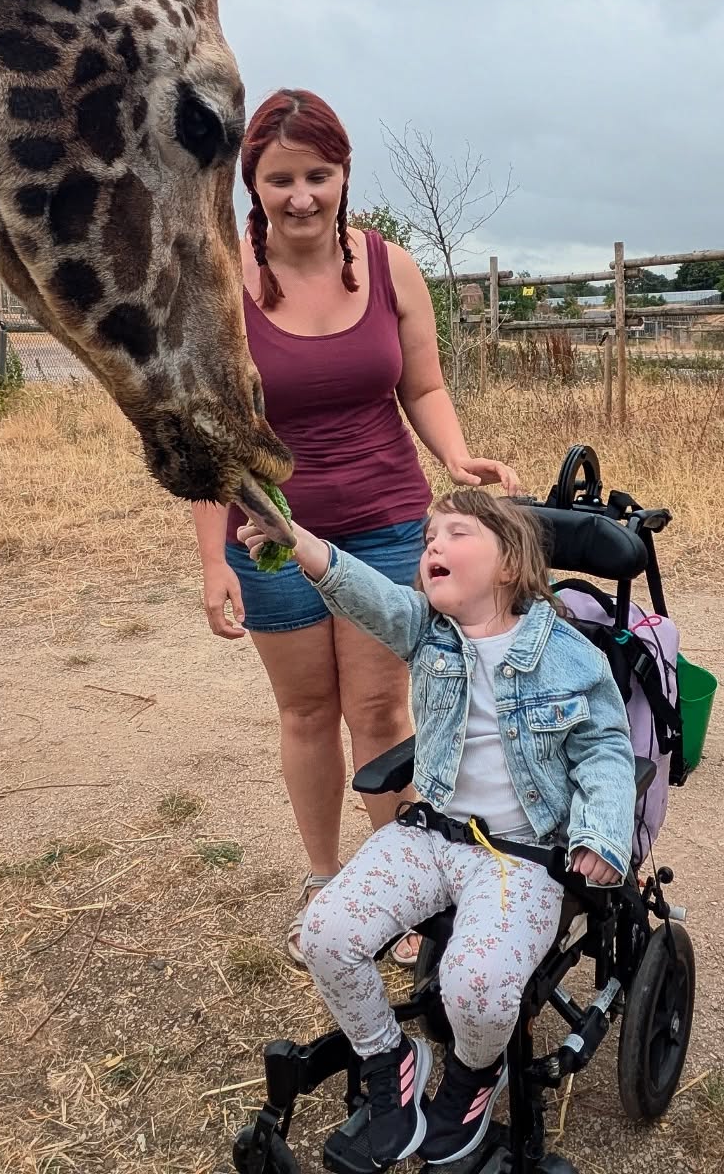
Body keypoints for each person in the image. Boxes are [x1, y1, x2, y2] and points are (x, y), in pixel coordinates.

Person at [190, 90, 520, 966]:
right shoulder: (221, 280)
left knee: (379, 708)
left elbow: (423, 386)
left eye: (319, 175)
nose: (302, 195)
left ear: (344, 176)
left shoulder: (390, 266)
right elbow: (206, 431)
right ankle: (327, 878)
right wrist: (210, 558)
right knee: (306, 711)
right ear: (250, 185)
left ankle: (401, 885)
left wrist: (457, 457)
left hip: (383, 525)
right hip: (268, 532)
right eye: (281, 178)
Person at [237, 489, 636, 1169]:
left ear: (510, 563)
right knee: (325, 934)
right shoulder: (425, 628)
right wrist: (295, 537)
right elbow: (358, 589)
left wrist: (601, 835)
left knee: (476, 987)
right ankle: (390, 1058)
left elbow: (605, 749)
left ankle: (475, 1076)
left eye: (455, 533)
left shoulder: (569, 655)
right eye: (427, 538)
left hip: (523, 858)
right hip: (430, 834)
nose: (432, 547)